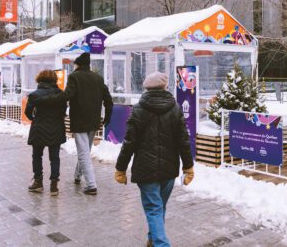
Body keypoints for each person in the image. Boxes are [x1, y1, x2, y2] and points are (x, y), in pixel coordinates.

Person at [115, 72, 194, 247]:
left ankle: (160, 244)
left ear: (147, 88)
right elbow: (183, 141)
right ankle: (152, 240)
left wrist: (120, 168)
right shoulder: (175, 109)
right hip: (169, 169)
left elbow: (129, 142)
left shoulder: (138, 110)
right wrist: (188, 167)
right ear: (165, 87)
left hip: (146, 170)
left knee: (154, 209)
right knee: (159, 208)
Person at [35, 52, 113, 195]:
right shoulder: (98, 78)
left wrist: (48, 99)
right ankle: (78, 176)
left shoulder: (74, 77)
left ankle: (91, 185)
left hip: (80, 121)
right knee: (85, 150)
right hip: (94, 121)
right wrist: (107, 116)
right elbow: (108, 99)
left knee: (83, 153)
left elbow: (67, 95)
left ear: (77, 64)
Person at [25, 70, 67, 196]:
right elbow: (63, 111)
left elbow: (28, 112)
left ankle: (38, 182)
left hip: (39, 128)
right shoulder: (61, 94)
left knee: (37, 156)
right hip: (56, 128)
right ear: (54, 80)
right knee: (54, 157)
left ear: (40, 79)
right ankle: (54, 185)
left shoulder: (34, 95)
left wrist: (35, 119)